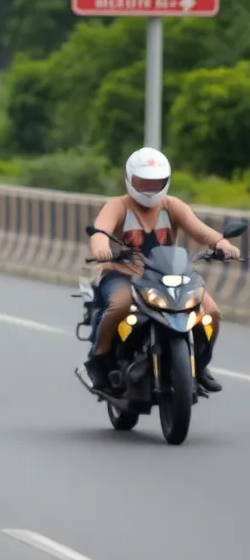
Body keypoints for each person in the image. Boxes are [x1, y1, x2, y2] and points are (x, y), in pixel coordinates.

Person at [85, 147, 237, 392]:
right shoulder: (118, 205)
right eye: (143, 182)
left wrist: (222, 243)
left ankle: (198, 364)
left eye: (155, 183)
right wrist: (101, 248)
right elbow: (100, 231)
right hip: (124, 273)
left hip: (169, 276)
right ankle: (99, 359)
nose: (149, 188)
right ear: (129, 179)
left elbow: (200, 230)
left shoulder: (172, 205)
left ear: (166, 182)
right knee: (120, 305)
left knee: (211, 312)